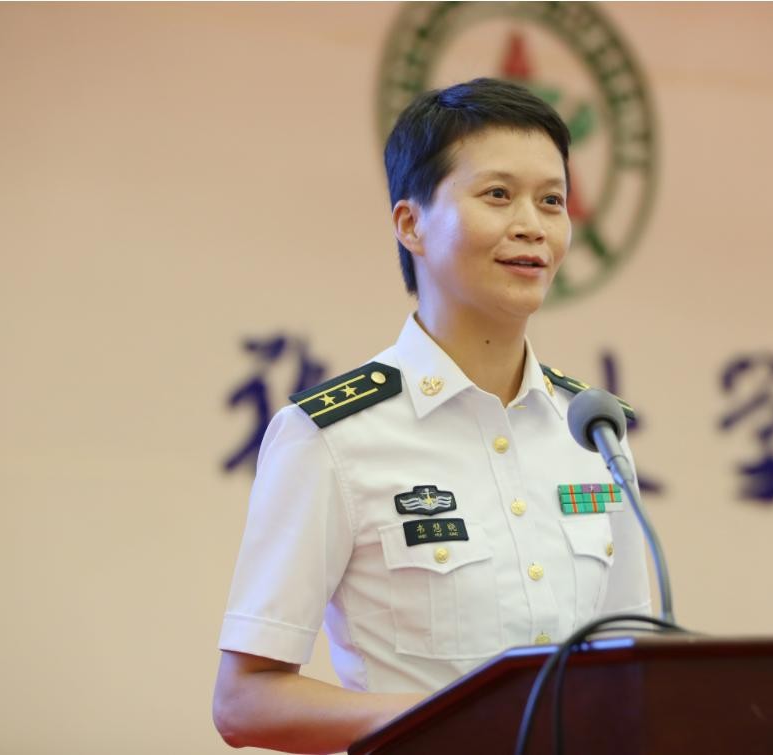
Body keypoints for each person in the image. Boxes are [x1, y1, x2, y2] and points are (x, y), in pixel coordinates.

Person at [212, 77, 651, 754]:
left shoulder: (593, 430)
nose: (532, 225)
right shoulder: (333, 436)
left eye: (552, 200)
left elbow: (636, 670)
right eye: (497, 194)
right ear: (410, 224)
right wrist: (463, 716)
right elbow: (245, 700)